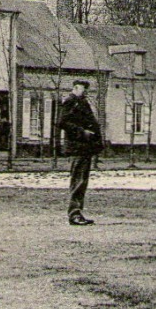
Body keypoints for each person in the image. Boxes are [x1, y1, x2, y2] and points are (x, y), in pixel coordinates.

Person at [58, 79, 103, 225]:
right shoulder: (70, 102)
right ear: (75, 88)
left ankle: (77, 212)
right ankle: (74, 214)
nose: (86, 93)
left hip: (84, 147)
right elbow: (62, 122)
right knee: (78, 180)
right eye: (84, 90)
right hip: (77, 147)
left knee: (82, 180)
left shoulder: (81, 102)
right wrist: (82, 132)